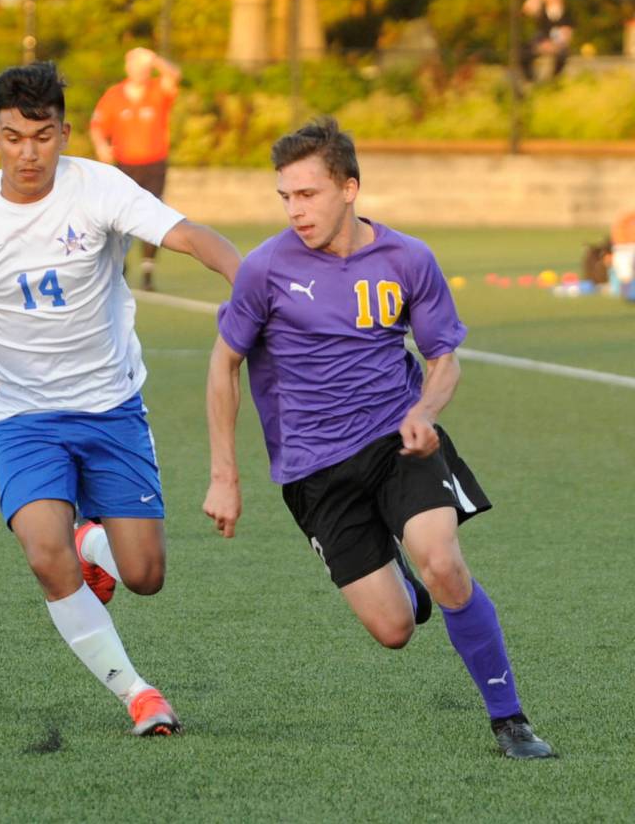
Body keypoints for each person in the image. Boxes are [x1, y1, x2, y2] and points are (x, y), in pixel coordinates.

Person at [202, 117, 555, 760]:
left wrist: (424, 410)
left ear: (350, 188)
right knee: (394, 628)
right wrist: (225, 474)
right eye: (285, 196)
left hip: (398, 441)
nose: (294, 210)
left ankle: (510, 721)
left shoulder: (407, 259)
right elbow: (224, 363)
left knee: (444, 563)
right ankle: (401, 580)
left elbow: (444, 355)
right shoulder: (264, 269)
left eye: (307, 194)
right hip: (312, 470)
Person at [0, 61, 240, 736]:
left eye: (42, 135)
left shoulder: (100, 188)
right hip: (23, 416)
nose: (28, 153)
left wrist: (252, 280)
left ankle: (93, 537)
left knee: (145, 575)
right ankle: (138, 693)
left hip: (112, 407)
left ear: (63, 131)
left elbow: (191, 236)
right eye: (12, 137)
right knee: (42, 552)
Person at [90, 47, 181, 292]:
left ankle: (148, 270)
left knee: (153, 212)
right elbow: (97, 125)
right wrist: (101, 146)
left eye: (143, 66)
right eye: (135, 65)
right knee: (120, 215)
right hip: (124, 165)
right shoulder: (114, 95)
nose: (139, 71)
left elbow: (174, 76)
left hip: (154, 163)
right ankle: (121, 264)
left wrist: (155, 59)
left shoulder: (157, 91)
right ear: (127, 68)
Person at [520, 0, 573, 82]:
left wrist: (553, 45)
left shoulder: (566, 12)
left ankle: (553, 82)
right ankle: (531, 80)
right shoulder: (542, 11)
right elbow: (527, 8)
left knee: (562, 57)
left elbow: (567, 34)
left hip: (557, 46)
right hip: (540, 43)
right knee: (523, 53)